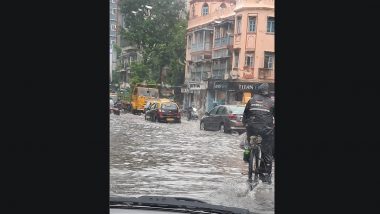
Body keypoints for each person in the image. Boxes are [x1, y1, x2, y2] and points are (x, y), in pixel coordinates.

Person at [242, 83, 274, 184]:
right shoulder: (271, 102)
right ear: (267, 92)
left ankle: (247, 155)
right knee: (267, 150)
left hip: (252, 129)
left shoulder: (251, 100)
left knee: (249, 142)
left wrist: (245, 124)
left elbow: (245, 115)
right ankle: (265, 174)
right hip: (266, 130)